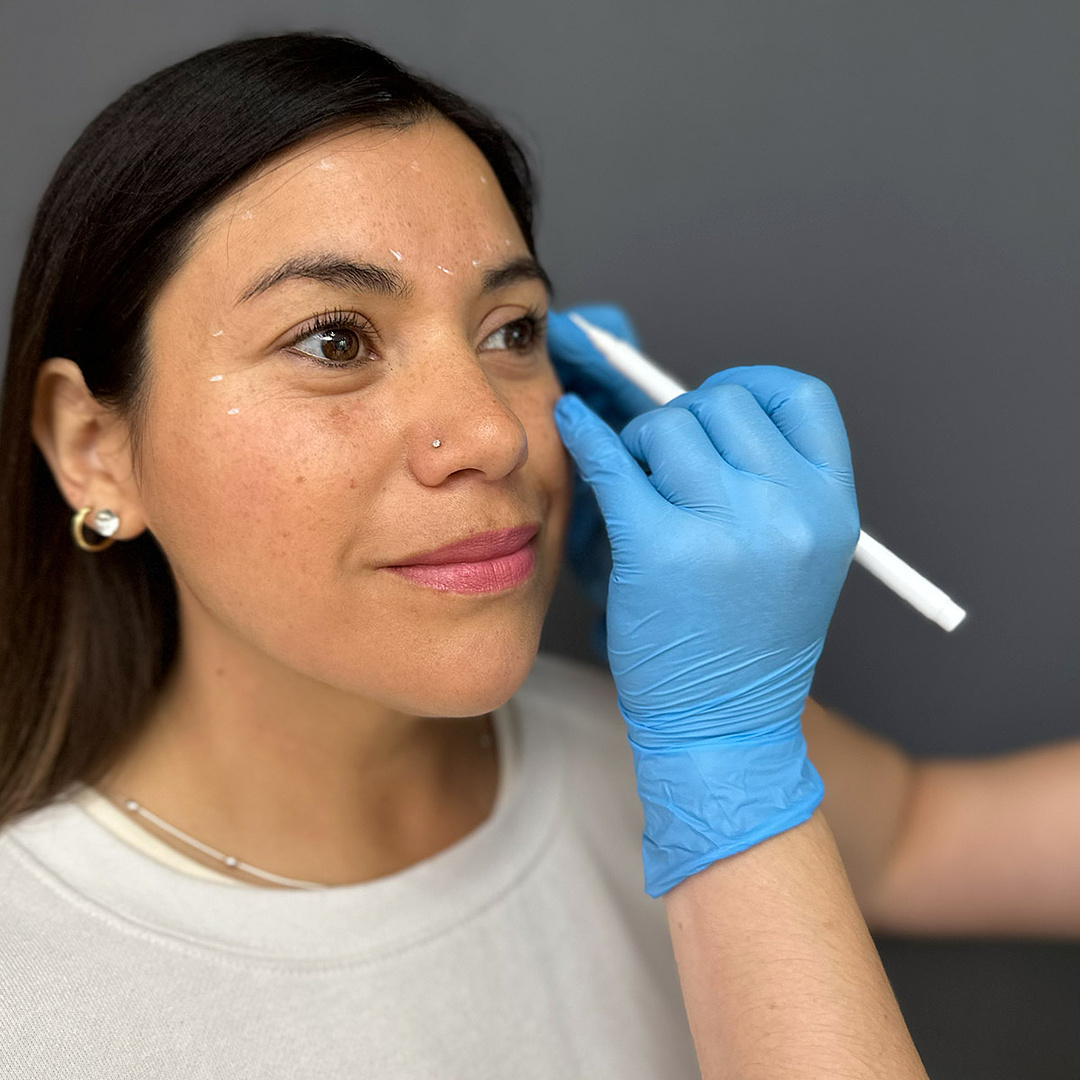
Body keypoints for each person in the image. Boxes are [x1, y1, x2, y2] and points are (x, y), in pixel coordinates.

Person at [0, 32, 926, 1078]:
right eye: (335, 340)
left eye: (510, 331)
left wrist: (734, 750)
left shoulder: (633, 756)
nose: (493, 432)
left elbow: (932, 832)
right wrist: (730, 766)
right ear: (93, 449)